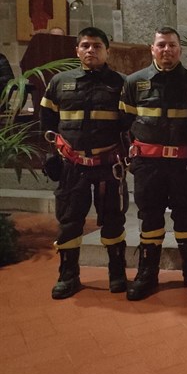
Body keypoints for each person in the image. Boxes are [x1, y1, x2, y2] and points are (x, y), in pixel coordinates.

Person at [119, 27, 187, 300]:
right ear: (152, 49)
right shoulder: (135, 82)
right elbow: (123, 125)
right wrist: (128, 159)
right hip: (148, 166)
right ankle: (147, 274)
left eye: (172, 45)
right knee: (151, 218)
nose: (167, 50)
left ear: (180, 49)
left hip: (183, 166)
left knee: (185, 218)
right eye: (161, 45)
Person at [40, 27, 128, 299]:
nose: (91, 50)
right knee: (69, 222)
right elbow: (47, 123)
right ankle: (68, 276)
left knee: (114, 221)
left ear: (107, 51)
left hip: (107, 164)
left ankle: (117, 273)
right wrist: (51, 155)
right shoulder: (59, 83)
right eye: (86, 45)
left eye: (97, 46)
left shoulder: (121, 83)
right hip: (72, 166)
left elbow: (128, 125)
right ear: (77, 50)